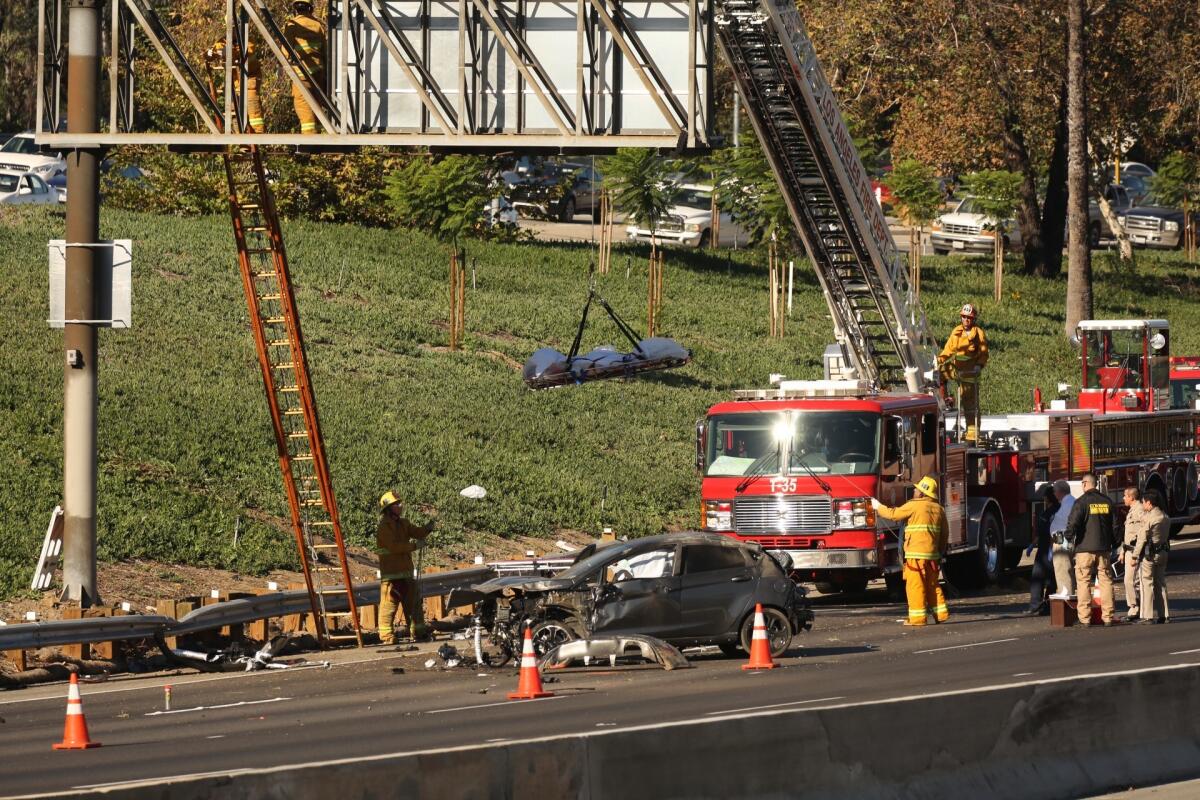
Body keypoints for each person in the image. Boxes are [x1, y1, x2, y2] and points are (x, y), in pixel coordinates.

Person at [871, 476, 950, 626]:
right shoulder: (939, 509)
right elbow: (944, 535)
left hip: (915, 555)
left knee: (916, 586)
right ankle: (941, 614)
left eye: (917, 489)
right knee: (932, 585)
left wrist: (877, 506)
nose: (914, 490)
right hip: (932, 556)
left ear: (922, 493)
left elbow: (893, 514)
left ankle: (918, 618)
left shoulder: (914, 506)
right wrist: (939, 553)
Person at [376, 490, 433, 644]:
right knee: (389, 607)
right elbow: (394, 547)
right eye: (397, 504)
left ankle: (418, 632)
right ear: (388, 508)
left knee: (414, 605)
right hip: (391, 576)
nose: (401, 506)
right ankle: (387, 636)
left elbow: (417, 532)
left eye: (400, 503)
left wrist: (427, 529)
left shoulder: (404, 523)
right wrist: (415, 545)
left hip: (406, 573)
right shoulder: (384, 528)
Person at [1065, 473, 1116, 627]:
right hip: (1104, 548)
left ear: (1085, 483)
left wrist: (1068, 538)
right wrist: (1115, 543)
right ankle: (1108, 616)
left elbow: (1073, 523)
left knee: (1083, 582)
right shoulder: (1107, 501)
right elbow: (1115, 526)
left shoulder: (1081, 502)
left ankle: (1085, 618)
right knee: (1106, 581)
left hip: (1084, 549)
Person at [939, 303, 989, 443]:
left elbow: (984, 353)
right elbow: (948, 350)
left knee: (970, 405)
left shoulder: (978, 333)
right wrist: (939, 360)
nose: (966, 320)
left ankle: (972, 434)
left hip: (970, 374)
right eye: (964, 317)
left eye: (969, 318)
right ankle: (945, 399)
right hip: (958, 369)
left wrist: (979, 365)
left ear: (973, 319)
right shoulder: (956, 332)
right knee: (939, 373)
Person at [204, 30, 264, 132]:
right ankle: (242, 142)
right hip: (234, 85)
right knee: (235, 114)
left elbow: (246, 53)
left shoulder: (248, 40)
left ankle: (258, 138)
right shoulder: (222, 42)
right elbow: (212, 53)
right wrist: (209, 54)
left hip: (249, 82)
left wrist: (230, 52)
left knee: (254, 113)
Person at [283, 0, 327, 134]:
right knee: (317, 106)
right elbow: (326, 51)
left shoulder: (292, 25)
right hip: (318, 73)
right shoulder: (318, 25)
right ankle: (319, 140)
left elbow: (285, 51)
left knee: (304, 107)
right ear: (310, 8)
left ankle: (309, 141)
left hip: (301, 74)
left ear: (295, 9)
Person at [1023, 484, 1059, 615]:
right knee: (1038, 577)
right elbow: (1040, 533)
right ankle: (1037, 605)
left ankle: (1046, 606)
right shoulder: (1047, 512)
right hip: (1044, 549)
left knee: (1049, 579)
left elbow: (1053, 532)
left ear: (1048, 498)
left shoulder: (1055, 513)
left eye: (1045, 497)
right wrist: (1032, 545)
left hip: (1051, 549)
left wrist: (1051, 549)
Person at [1137, 489, 1170, 624]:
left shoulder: (1150, 518)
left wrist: (1134, 556)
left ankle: (1147, 615)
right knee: (1160, 584)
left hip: (1149, 554)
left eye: (1143, 502)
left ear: (1149, 503)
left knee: (1146, 584)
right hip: (1163, 552)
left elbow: (1142, 538)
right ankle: (1165, 614)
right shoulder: (1165, 517)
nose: (1143, 505)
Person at [1119, 486, 1147, 621]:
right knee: (1132, 581)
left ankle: (1134, 608)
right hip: (1129, 550)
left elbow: (1144, 530)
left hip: (1135, 551)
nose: (1123, 498)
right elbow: (1128, 533)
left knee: (1129, 580)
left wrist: (1135, 553)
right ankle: (1138, 607)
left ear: (1132, 497)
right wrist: (1122, 551)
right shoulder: (1132, 510)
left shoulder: (1140, 510)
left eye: (1125, 495)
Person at [1048, 480, 1076, 599]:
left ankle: (1066, 595)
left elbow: (1066, 524)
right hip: (1064, 539)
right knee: (1065, 569)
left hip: (1062, 540)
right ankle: (1068, 592)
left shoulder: (1068, 503)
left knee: (1062, 569)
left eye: (1054, 491)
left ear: (1059, 492)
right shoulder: (1070, 502)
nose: (1054, 494)